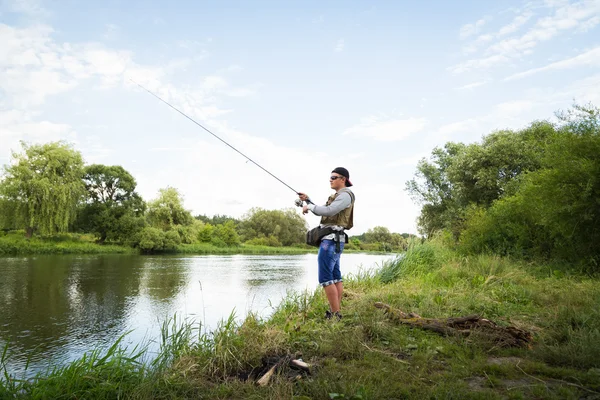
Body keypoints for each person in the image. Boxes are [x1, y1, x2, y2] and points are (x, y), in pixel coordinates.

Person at [298, 167, 355, 320]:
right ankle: (335, 311)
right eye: (330, 177)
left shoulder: (345, 195)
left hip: (330, 241)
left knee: (325, 278)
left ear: (343, 179)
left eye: (334, 177)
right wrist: (308, 200)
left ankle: (335, 315)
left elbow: (329, 211)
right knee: (335, 276)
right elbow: (326, 210)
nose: (330, 179)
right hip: (334, 241)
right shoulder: (339, 196)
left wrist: (309, 207)